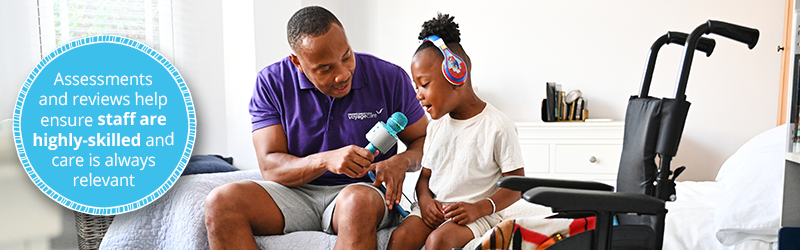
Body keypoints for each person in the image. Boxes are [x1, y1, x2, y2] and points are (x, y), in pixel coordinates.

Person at [203, 6, 428, 250]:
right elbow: (270, 166)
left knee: (356, 204)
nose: (342, 74)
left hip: (361, 192)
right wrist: (325, 160)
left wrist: (402, 161)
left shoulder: (389, 77)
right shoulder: (271, 83)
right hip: (293, 193)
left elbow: (425, 141)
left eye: (346, 57)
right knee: (221, 202)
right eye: (326, 69)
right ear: (298, 63)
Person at [386, 13, 526, 250]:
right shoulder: (436, 126)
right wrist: (425, 200)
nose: (417, 94)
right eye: (416, 86)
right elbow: (426, 177)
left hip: (474, 213)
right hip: (434, 208)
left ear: (456, 74)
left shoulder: (497, 126)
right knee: (401, 238)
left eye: (424, 84)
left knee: (438, 241)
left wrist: (479, 208)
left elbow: (517, 184)